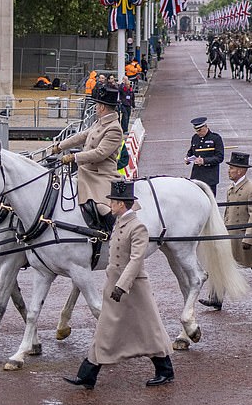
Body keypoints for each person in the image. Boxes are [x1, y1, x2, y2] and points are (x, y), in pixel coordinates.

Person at [64, 181, 173, 389]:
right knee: (105, 328)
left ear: (121, 205)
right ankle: (87, 373)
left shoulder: (137, 226)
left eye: (113, 202)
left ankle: (165, 370)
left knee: (149, 329)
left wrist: (122, 286)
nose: (110, 205)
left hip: (133, 288)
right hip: (115, 285)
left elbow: (136, 259)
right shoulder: (119, 223)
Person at [208, 152, 252, 308]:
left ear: (240, 171)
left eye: (231, 168)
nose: (229, 171)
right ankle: (216, 299)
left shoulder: (251, 189)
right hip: (231, 236)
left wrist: (249, 239)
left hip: (245, 237)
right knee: (224, 265)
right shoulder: (231, 188)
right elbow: (228, 213)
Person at [54, 86, 125, 225]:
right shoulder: (100, 122)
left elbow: (100, 153)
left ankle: (110, 232)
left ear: (102, 107)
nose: (96, 108)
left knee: (101, 208)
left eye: (97, 105)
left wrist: (74, 157)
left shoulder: (114, 128)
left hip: (101, 175)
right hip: (87, 171)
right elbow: (82, 136)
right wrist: (60, 146)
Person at [185, 117, 224, 195]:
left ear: (205, 127)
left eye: (199, 130)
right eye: (196, 130)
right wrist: (187, 158)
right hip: (197, 176)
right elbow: (192, 151)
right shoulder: (195, 138)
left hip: (210, 177)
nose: (198, 133)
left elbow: (219, 157)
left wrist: (204, 161)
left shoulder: (215, 138)